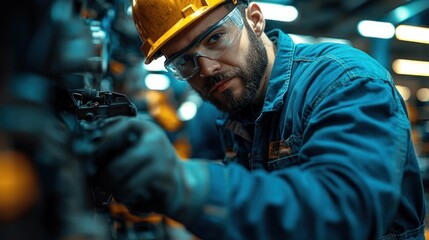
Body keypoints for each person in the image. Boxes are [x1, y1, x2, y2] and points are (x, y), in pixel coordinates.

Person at [95, 0, 426, 239]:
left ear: (254, 19)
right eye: (185, 63)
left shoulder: (344, 81)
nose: (207, 69)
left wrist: (188, 185)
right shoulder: (233, 110)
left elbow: (346, 213)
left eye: (215, 38)